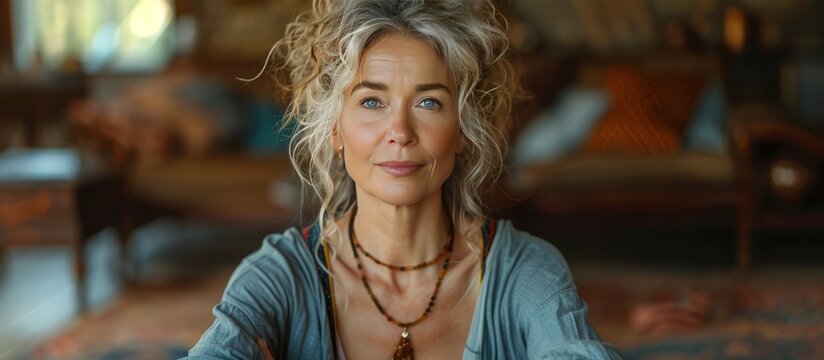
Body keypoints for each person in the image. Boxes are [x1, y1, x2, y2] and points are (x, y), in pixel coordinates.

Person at [186, 0, 621, 358]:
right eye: (372, 101)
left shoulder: (524, 272)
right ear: (334, 128)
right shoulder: (279, 276)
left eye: (428, 103)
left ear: (463, 130)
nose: (400, 131)